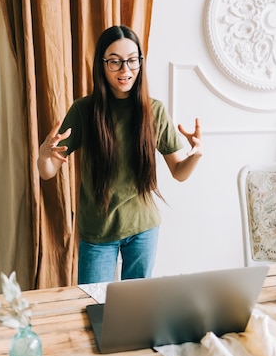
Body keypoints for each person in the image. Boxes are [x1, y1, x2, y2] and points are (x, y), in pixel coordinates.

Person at [38, 25, 202, 284]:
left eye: (132, 61)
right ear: (102, 65)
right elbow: (48, 172)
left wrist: (196, 155)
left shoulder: (154, 110)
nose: (125, 70)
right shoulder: (83, 110)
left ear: (140, 62)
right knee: (93, 306)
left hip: (143, 228)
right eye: (114, 62)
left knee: (137, 308)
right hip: (98, 232)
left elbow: (179, 172)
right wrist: (43, 155)